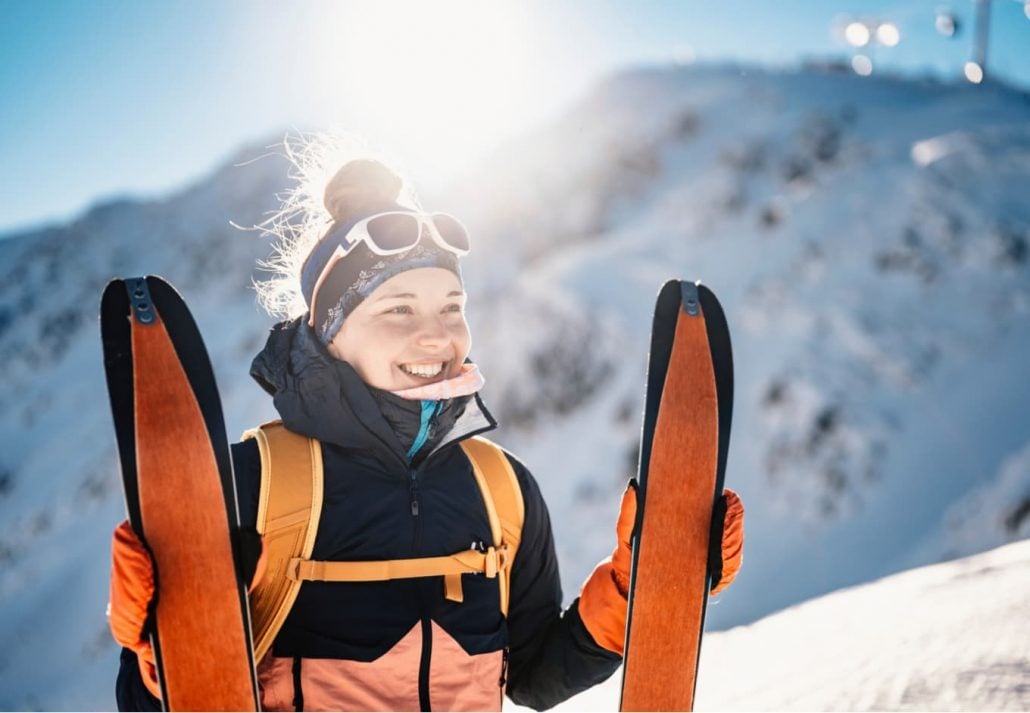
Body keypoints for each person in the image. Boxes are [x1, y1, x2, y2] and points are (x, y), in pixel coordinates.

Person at [107, 150, 745, 712]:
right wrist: (160, 655)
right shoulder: (250, 484)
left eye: (451, 307)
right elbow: (178, 700)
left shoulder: (501, 489)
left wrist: (635, 592)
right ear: (331, 331)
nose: (436, 335)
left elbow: (532, 677)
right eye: (398, 309)